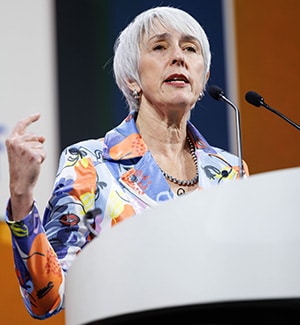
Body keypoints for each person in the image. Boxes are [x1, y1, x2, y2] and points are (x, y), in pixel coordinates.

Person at [5, 6, 249, 320]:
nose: (178, 57)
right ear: (132, 78)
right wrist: (21, 194)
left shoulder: (230, 171)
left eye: (190, 48)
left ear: (203, 78)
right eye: (160, 47)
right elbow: (47, 298)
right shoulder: (89, 164)